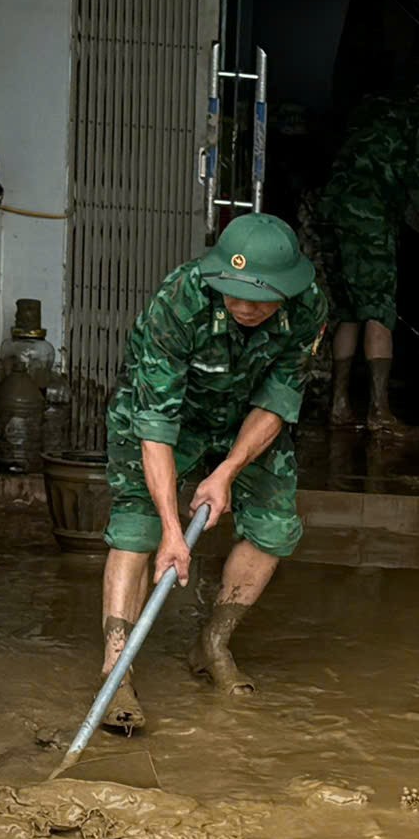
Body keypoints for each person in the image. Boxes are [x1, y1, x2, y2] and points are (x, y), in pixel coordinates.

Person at [95, 212, 326, 731]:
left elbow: (277, 401)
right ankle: (116, 668)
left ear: (287, 290)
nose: (243, 306)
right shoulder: (179, 300)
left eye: (259, 296)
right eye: (232, 291)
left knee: (273, 523)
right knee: (138, 525)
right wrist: (173, 531)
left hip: (247, 419)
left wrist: (227, 471)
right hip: (168, 411)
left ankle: (213, 643)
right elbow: (155, 426)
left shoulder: (309, 307)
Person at [319, 84, 419, 433]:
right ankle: (379, 411)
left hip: (333, 207)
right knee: (377, 307)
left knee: (347, 309)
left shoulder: (372, 104)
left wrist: (412, 220)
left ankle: (339, 405)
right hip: (368, 214)